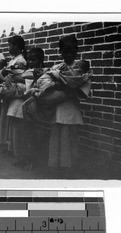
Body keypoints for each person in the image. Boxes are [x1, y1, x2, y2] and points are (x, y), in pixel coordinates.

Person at [43, 34, 92, 176]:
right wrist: (56, 84)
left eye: (71, 51)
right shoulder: (57, 67)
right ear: (61, 52)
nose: (68, 54)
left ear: (76, 51)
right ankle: (54, 166)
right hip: (57, 108)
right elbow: (47, 80)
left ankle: (68, 168)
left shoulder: (81, 68)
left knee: (68, 139)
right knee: (55, 138)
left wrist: (65, 84)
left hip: (71, 108)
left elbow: (82, 89)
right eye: (65, 51)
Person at [0, 35, 28, 156]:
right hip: (10, 92)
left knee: (14, 124)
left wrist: (7, 76)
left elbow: (18, 76)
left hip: (15, 93)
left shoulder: (21, 60)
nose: (8, 48)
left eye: (10, 45)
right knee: (8, 122)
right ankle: (9, 147)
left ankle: (14, 149)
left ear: (16, 47)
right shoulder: (13, 59)